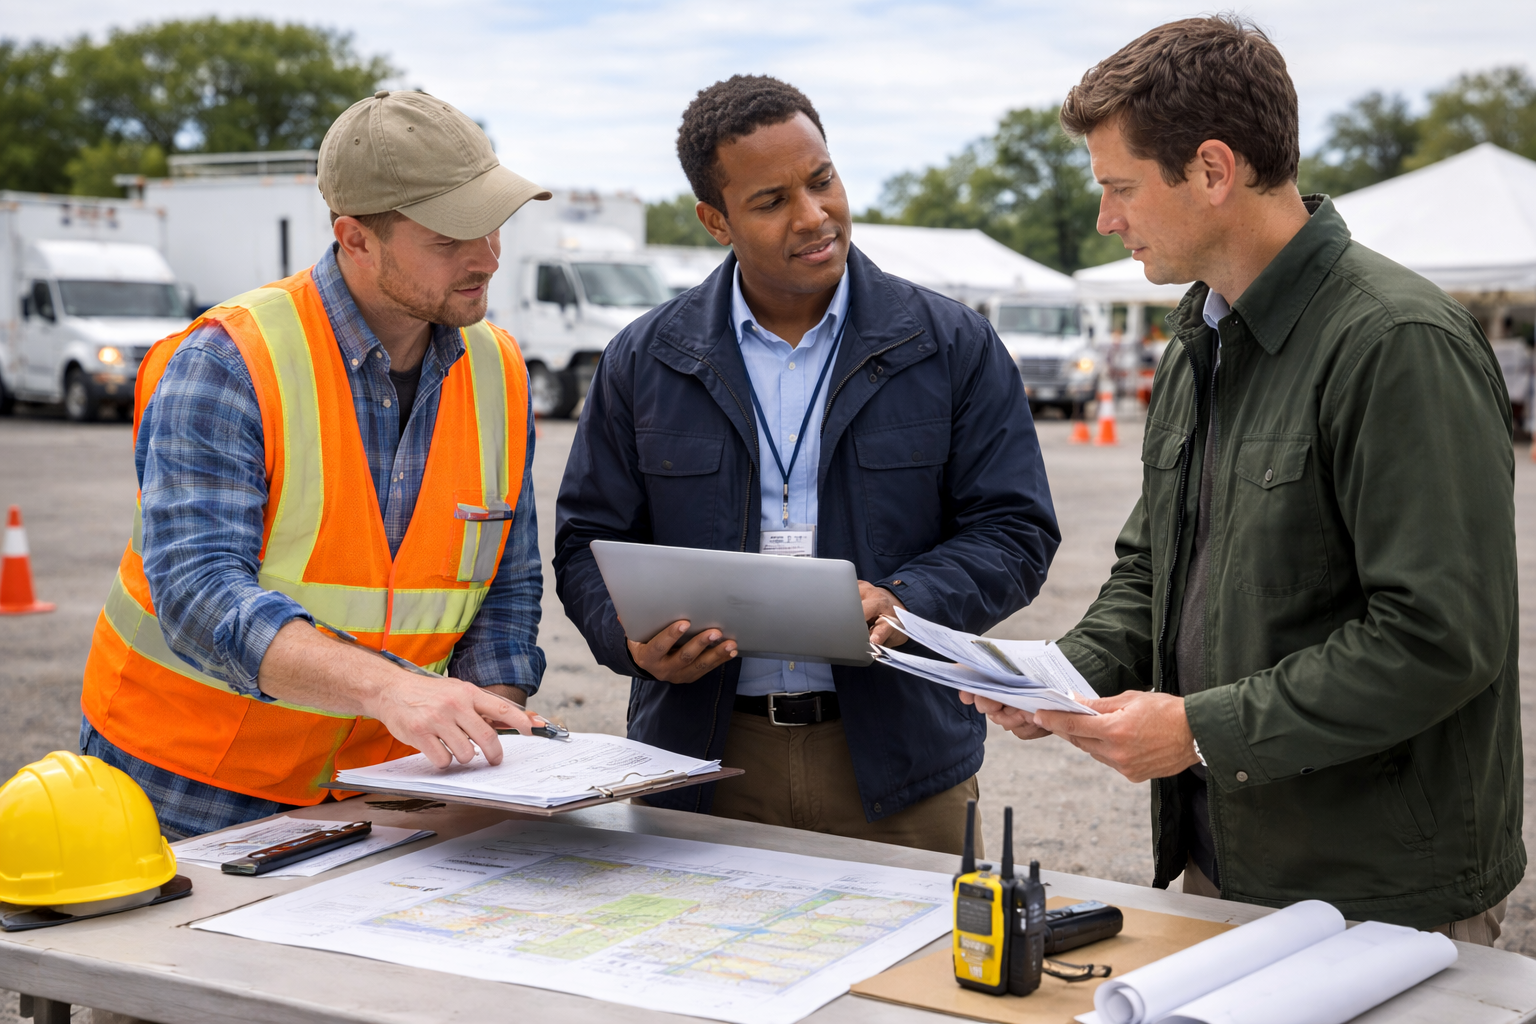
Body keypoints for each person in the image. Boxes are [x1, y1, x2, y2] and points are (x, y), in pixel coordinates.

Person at [967, 17, 1522, 942]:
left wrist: (1200, 732)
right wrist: (1063, 676)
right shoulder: (1198, 343)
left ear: (1214, 171)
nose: (1107, 219)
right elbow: (1154, 569)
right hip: (1225, 859)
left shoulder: (1396, 344)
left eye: (1120, 189)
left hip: (1383, 895)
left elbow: (1440, 638)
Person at [554, 75, 1059, 855]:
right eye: (771, 201)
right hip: (699, 767)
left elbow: (1014, 531)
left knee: (912, 977)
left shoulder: (954, 346)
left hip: (901, 765)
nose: (814, 215)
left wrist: (906, 601)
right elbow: (588, 540)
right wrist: (629, 644)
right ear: (715, 220)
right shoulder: (644, 359)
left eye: (822, 180)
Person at [79, 91, 554, 839]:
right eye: (451, 236)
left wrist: (491, 719)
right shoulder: (229, 360)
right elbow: (199, 592)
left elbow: (506, 584)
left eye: (493, 225)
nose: (488, 256)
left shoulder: (498, 369)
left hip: (383, 787)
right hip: (190, 785)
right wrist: (390, 689)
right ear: (355, 238)